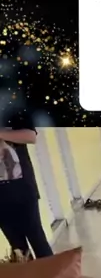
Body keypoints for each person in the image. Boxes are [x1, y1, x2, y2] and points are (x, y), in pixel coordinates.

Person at [0, 110, 53, 260]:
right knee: (17, 247)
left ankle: (52, 275)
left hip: (23, 189)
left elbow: (30, 136)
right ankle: (30, 275)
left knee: (37, 239)